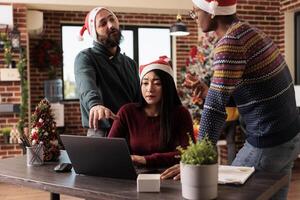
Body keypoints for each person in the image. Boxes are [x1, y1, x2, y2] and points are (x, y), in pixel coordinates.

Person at [161, 0, 300, 199]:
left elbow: (215, 109)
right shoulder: (249, 32)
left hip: (269, 142)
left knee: (227, 194)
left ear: (212, 12)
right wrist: (209, 90)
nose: (195, 18)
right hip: (290, 136)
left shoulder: (230, 42)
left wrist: (195, 163)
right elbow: (249, 94)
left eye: (195, 12)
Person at [108, 56, 195, 168]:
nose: (149, 89)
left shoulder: (180, 113)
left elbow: (188, 152)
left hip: (168, 174)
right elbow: (110, 150)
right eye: (145, 83)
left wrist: (146, 160)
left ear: (167, 86)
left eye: (157, 83)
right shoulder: (127, 112)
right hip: (134, 175)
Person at [74, 7, 140, 137]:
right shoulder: (86, 58)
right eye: (103, 23)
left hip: (133, 132)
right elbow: (87, 88)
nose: (111, 25)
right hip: (102, 133)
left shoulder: (130, 63)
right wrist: (95, 105)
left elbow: (138, 100)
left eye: (112, 20)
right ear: (95, 33)